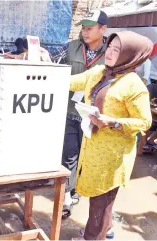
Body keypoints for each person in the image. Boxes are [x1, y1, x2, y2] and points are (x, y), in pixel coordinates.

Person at [69, 31, 153, 240]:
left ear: (130, 55)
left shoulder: (134, 85)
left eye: (118, 50)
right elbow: (72, 81)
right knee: (100, 197)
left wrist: (113, 121)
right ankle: (106, 228)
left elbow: (145, 122)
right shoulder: (100, 72)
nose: (110, 53)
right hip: (93, 148)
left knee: (102, 199)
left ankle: (92, 236)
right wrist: (41, 68)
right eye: (110, 47)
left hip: (113, 156)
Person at [48, 10, 109, 219]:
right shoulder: (71, 47)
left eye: (90, 28)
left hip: (96, 117)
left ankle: (79, 190)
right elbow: (51, 62)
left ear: (103, 29)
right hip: (70, 112)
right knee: (69, 154)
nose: (85, 31)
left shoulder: (112, 52)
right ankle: (66, 196)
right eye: (83, 27)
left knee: (88, 158)